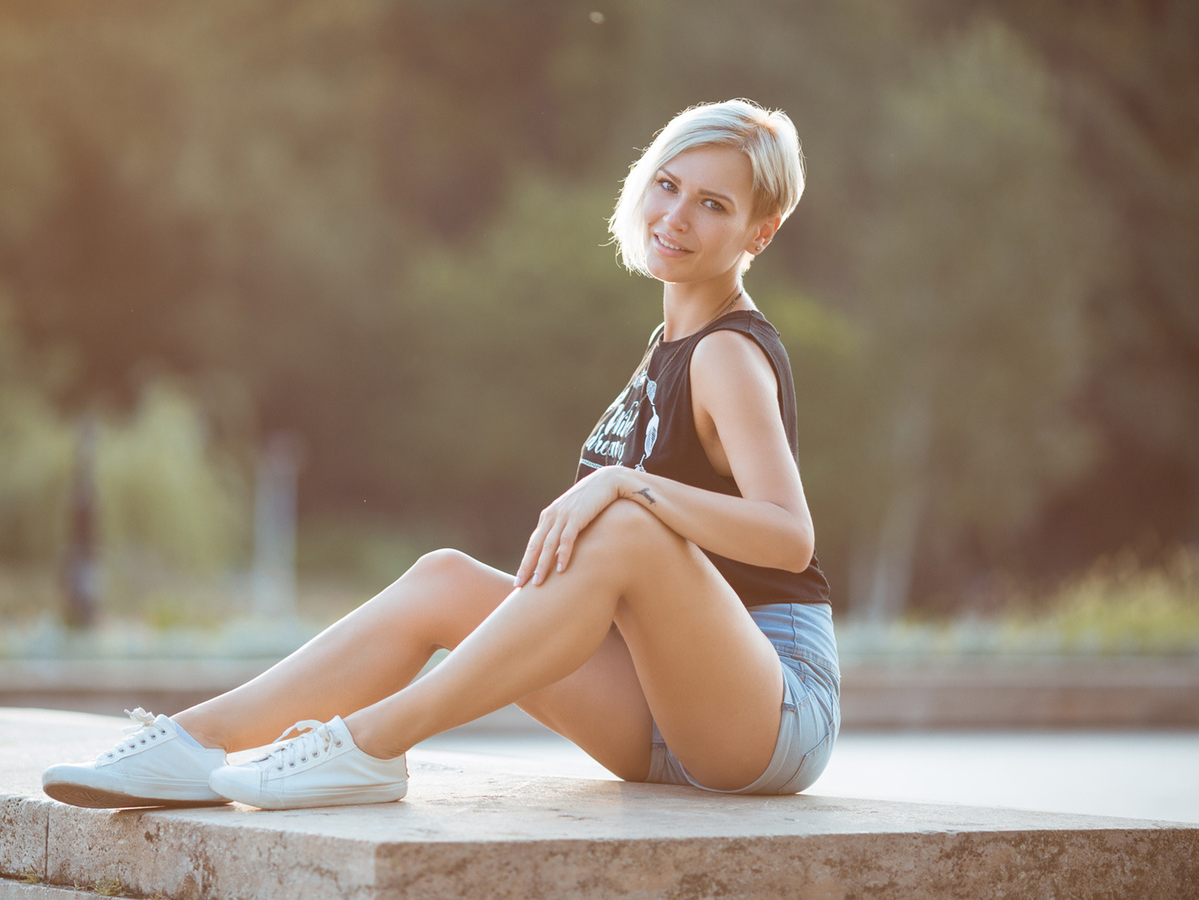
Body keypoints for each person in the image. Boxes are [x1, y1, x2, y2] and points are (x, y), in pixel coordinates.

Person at [41, 98, 840, 811]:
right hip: (661, 707)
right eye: (668, 185)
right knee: (444, 579)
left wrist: (630, 488)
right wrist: (627, 496)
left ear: (758, 233)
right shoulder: (666, 347)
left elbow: (787, 534)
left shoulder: (728, 354)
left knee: (628, 521)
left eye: (712, 204)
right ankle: (194, 742)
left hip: (770, 710)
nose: (677, 215)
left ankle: (369, 743)